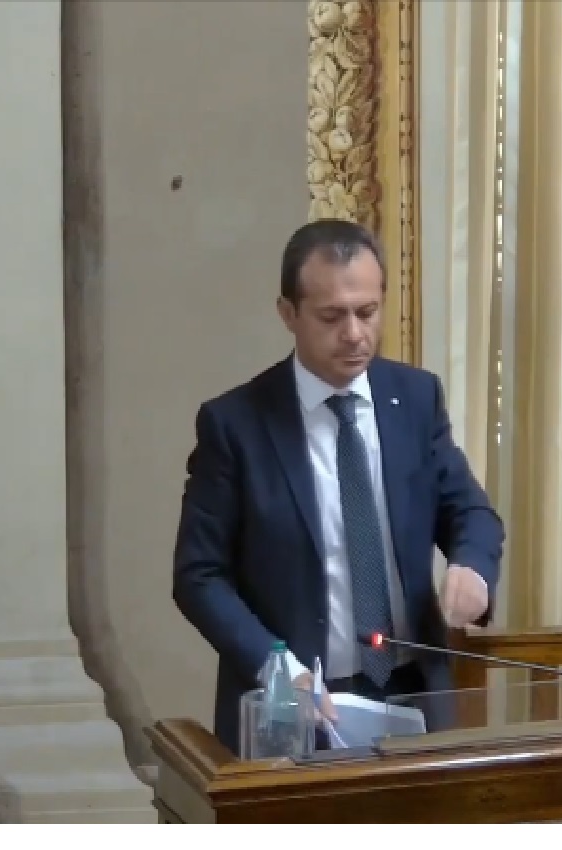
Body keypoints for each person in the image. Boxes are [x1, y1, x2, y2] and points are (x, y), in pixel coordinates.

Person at [172, 219, 505, 754]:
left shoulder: (415, 399)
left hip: (415, 693)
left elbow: (470, 512)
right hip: (294, 704)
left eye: (367, 312)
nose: (354, 334)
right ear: (289, 314)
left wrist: (473, 567)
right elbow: (198, 575)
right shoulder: (236, 425)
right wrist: (279, 668)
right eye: (332, 317)